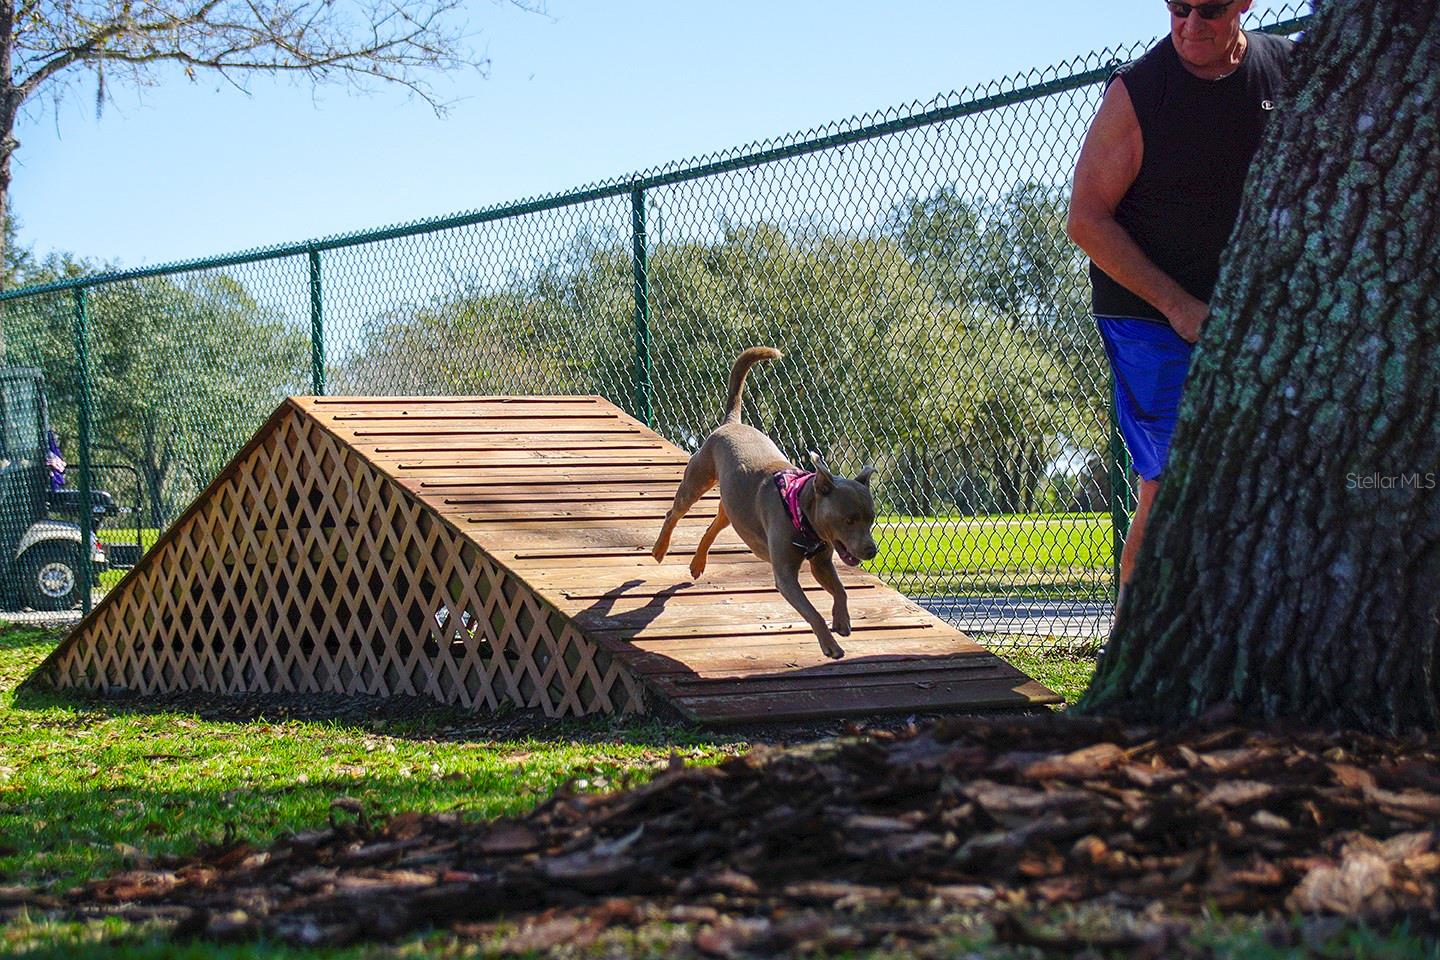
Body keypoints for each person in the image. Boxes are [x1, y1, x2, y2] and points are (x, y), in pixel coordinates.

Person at [1066, 0, 1292, 615]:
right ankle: (1135, 649)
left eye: (1211, 9)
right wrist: (1179, 306)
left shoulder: (1285, 71)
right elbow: (1085, 220)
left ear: (1245, 4)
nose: (1192, 24)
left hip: (1251, 318)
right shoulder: (1139, 93)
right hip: (1148, 314)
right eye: (1178, 7)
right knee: (1169, 482)